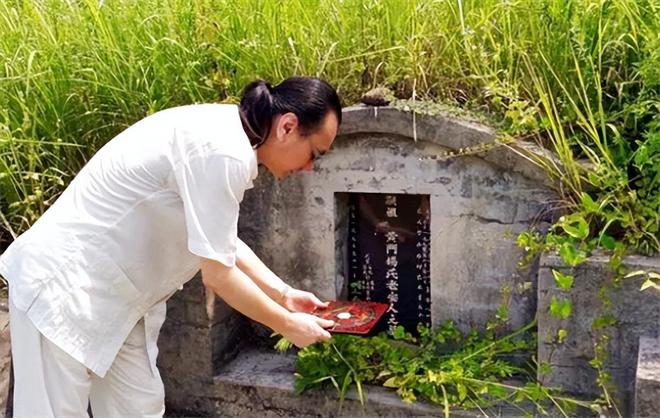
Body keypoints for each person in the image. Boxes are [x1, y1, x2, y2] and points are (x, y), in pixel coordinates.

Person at [0, 76, 342, 417]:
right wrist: (287, 325)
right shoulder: (223, 152)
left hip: (120, 303)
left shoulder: (225, 138)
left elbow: (219, 242)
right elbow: (219, 276)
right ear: (287, 126)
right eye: (314, 153)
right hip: (64, 288)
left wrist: (282, 293)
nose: (310, 168)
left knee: (139, 410)